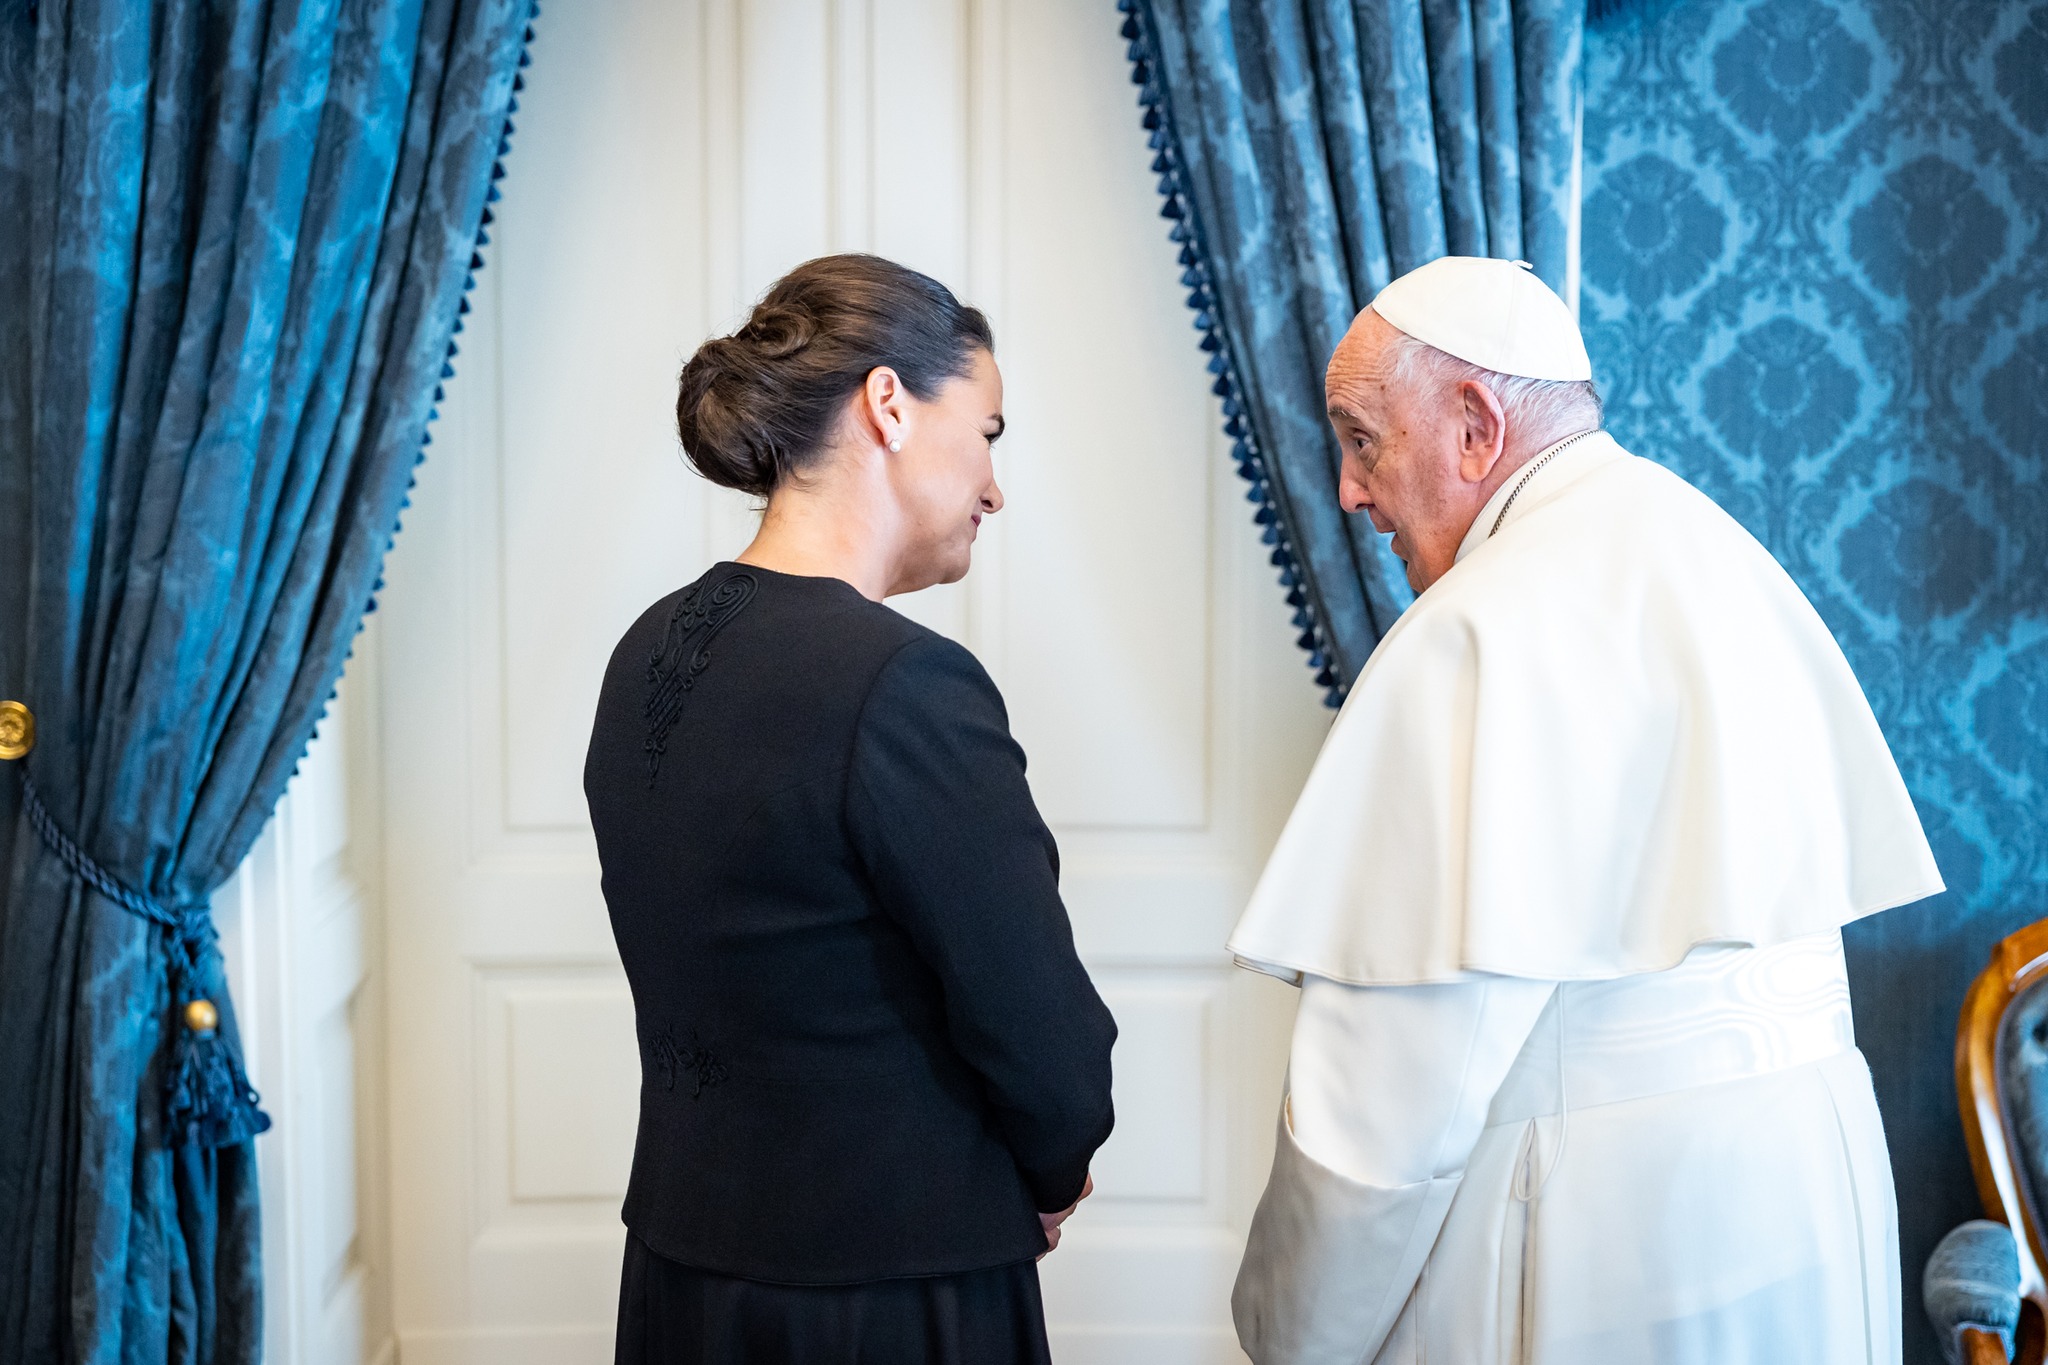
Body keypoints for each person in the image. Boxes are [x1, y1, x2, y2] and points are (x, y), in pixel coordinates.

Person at [1228, 256, 1942, 1365]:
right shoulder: (1717, 552)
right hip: (1805, 1205)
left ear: (1474, 427)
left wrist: (1287, 1333)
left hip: (1612, 1243)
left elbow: (1385, 1113)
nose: (1349, 492)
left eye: (1363, 440)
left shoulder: (1474, 631)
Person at [584, 253, 1117, 1365]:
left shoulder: (645, 651)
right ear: (888, 404)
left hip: (683, 1276)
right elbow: (1045, 1038)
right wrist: (1054, 1168)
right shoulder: (906, 683)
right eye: (987, 433)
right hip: (886, 1291)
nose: (993, 487)